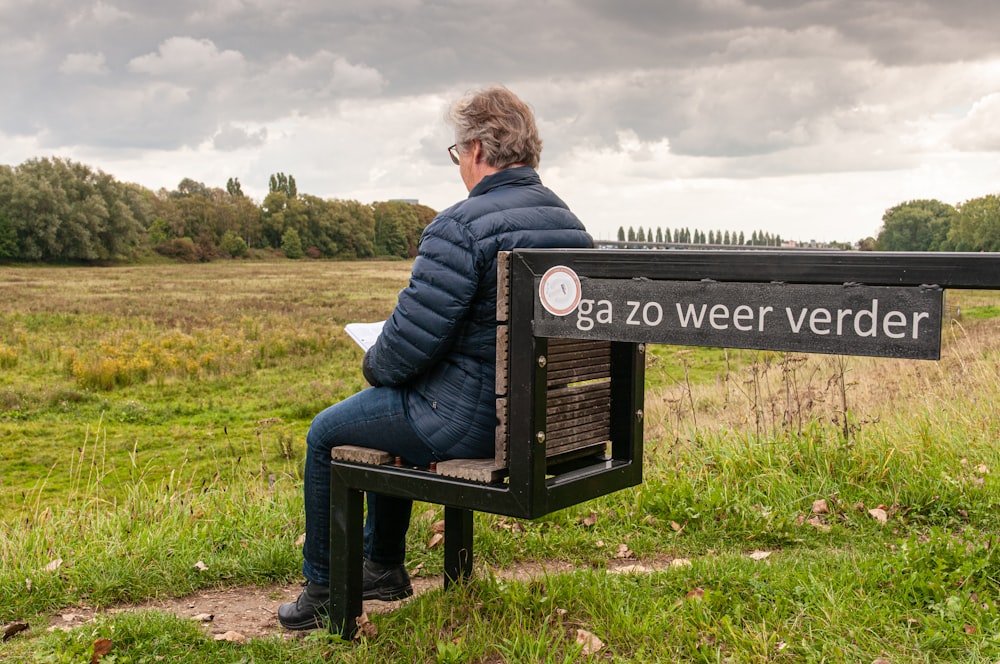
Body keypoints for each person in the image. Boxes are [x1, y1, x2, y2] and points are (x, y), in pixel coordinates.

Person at [278, 85, 593, 630]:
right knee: (392, 407)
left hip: (470, 424)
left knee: (326, 432)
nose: (459, 166)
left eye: (456, 155)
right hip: (540, 424)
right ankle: (380, 566)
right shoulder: (572, 229)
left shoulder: (460, 226)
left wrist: (375, 360)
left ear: (475, 150)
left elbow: (403, 353)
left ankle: (327, 587)